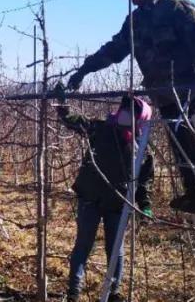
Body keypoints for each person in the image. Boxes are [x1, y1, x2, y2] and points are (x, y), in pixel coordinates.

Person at [66, 0, 195, 213]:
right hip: (164, 96)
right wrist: (84, 70)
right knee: (180, 148)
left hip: (189, 91)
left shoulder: (176, 8)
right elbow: (113, 50)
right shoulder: (135, 21)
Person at [57, 96, 155, 302]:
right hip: (90, 197)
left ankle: (113, 293)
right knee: (83, 244)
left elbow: (143, 180)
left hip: (118, 203)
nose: (125, 115)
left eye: (131, 113)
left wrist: (145, 205)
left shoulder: (142, 147)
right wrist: (62, 104)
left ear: (141, 119)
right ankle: (73, 292)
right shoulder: (100, 129)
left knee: (115, 250)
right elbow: (75, 121)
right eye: (124, 111)